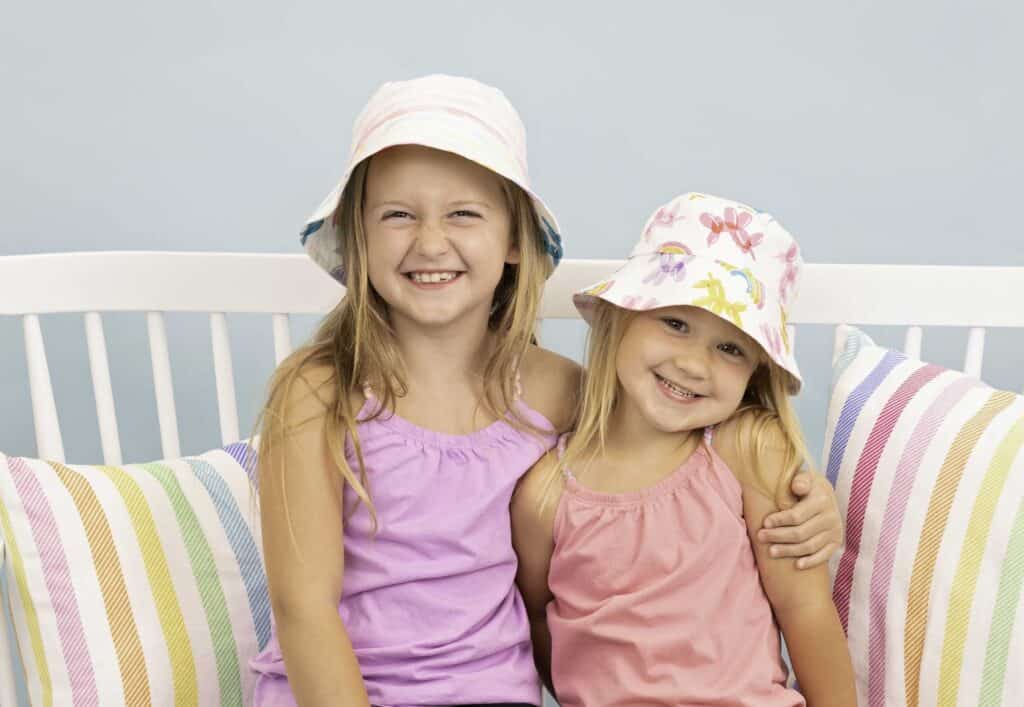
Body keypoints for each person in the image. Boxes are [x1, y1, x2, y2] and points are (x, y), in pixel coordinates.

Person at [250, 75, 842, 706]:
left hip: (491, 693)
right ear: (359, 237)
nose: (430, 242)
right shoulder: (319, 393)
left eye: (463, 214)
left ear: (513, 241)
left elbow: (672, 441)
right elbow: (303, 607)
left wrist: (808, 498)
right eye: (397, 214)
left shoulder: (557, 392)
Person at [512, 193, 856, 706]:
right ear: (622, 316)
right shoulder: (545, 495)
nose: (695, 365)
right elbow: (543, 624)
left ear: (754, 370)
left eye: (730, 348)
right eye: (675, 324)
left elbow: (805, 610)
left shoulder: (748, 450)